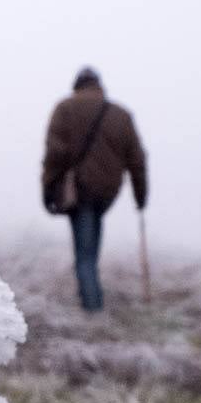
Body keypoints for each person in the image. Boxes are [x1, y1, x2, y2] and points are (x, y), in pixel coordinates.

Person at [41, 67, 147, 312]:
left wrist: (47, 187)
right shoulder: (120, 115)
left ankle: (92, 308)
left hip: (78, 191)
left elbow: (54, 153)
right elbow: (136, 160)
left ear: (77, 85)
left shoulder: (65, 108)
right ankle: (92, 299)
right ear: (99, 85)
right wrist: (141, 195)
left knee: (85, 255)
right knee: (90, 247)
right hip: (107, 193)